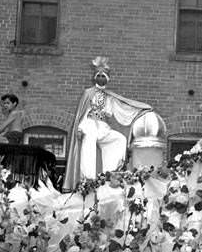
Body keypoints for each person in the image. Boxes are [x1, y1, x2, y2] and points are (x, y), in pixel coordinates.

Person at [63, 57, 152, 191]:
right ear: (94, 77)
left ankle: (108, 174)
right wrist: (80, 128)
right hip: (89, 124)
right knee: (89, 141)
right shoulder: (88, 93)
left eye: (103, 76)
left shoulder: (110, 96)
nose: (100, 78)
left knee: (119, 139)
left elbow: (122, 109)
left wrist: (140, 109)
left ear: (107, 78)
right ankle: (87, 178)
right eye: (98, 75)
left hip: (103, 127)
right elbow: (83, 113)